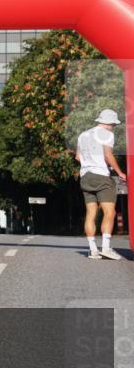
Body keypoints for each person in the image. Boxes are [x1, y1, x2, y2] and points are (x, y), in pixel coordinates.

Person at [76, 109, 127, 260]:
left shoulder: (83, 135)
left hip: (85, 176)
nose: (113, 127)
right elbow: (108, 155)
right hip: (101, 176)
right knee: (109, 212)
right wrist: (119, 172)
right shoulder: (107, 134)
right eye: (113, 124)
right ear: (110, 122)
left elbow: (78, 157)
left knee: (91, 213)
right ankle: (105, 248)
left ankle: (93, 250)